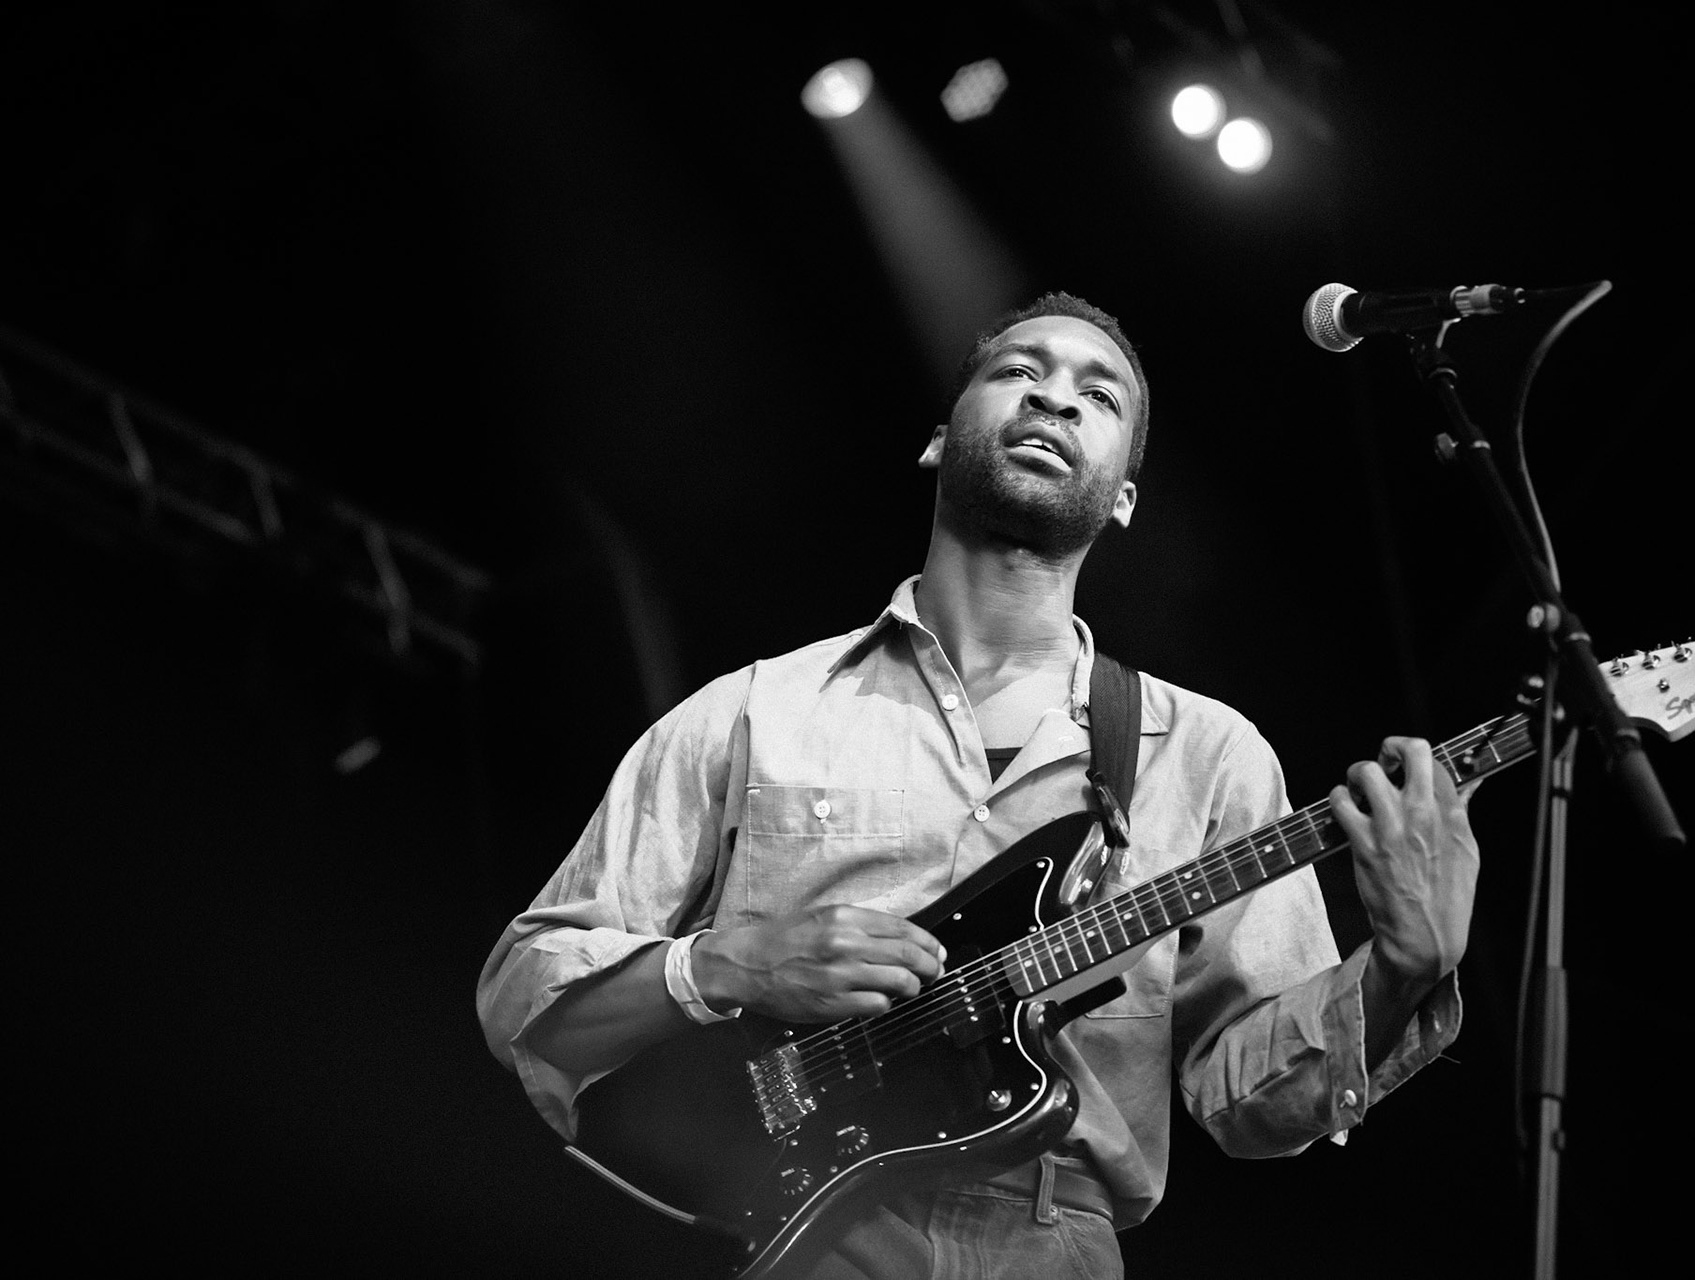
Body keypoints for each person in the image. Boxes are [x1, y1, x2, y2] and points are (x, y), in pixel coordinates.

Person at [477, 293, 1479, 1278]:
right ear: (937, 439)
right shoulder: (756, 709)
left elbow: (1249, 1105)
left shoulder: (1207, 753)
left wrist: (1400, 970)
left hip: (1056, 1239)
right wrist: (723, 965)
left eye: (1100, 394)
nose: (1056, 398)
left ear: (1123, 496)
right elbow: (527, 992)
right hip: (788, 1229)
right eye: (1018, 371)